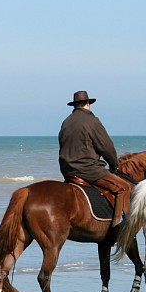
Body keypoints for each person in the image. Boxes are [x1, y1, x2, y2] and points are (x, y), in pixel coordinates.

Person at [58, 91, 133, 227]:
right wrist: (114, 165)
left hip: (67, 170)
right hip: (88, 170)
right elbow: (106, 147)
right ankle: (119, 227)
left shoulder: (66, 122)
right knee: (124, 187)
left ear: (74, 106)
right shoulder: (92, 120)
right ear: (88, 103)